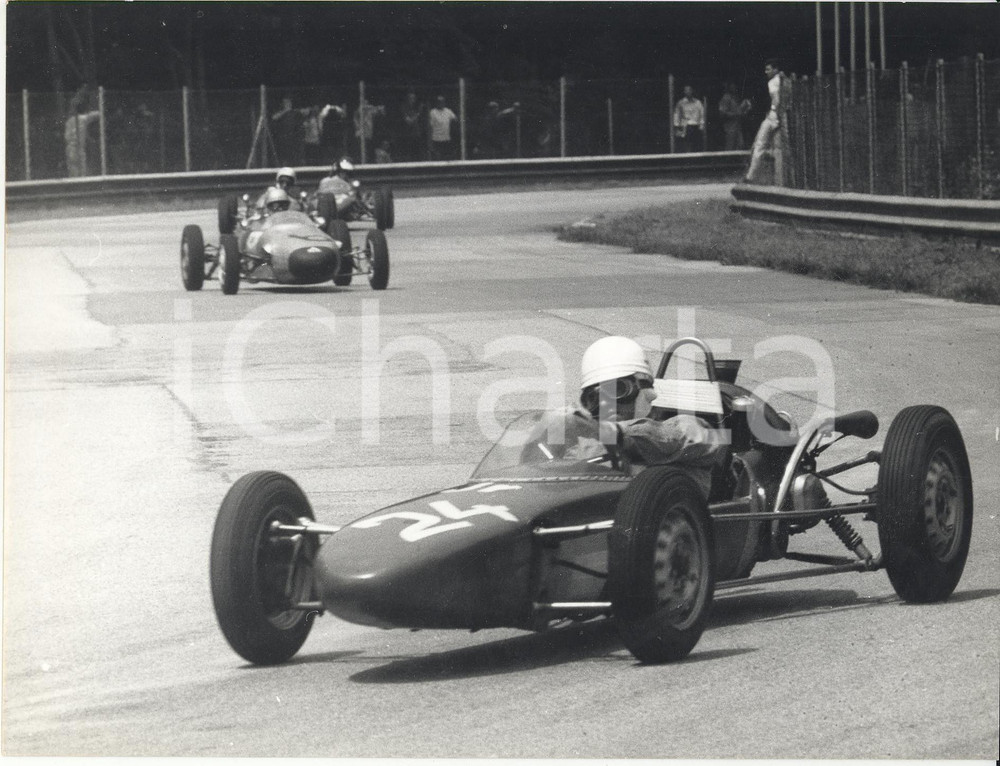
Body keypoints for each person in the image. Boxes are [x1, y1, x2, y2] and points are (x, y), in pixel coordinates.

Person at [573, 336, 724, 496]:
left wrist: (619, 431)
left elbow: (688, 436)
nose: (608, 404)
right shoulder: (590, 440)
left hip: (670, 516)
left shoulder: (682, 430)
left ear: (645, 391)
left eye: (617, 390)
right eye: (595, 397)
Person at [744, 59, 791, 185]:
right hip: (780, 115)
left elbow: (777, 100)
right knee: (779, 148)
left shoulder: (773, 82)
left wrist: (776, 113)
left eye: (768, 69)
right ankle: (781, 179)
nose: (766, 72)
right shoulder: (786, 81)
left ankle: (751, 176)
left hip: (775, 115)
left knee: (760, 144)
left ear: (775, 69)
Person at [64, 88, 100, 177]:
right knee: (81, 173)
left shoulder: (69, 121)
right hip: (78, 148)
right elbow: (96, 114)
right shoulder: (82, 119)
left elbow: (66, 136)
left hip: (70, 148)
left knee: (73, 172)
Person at [718, 83, 752, 151]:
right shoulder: (726, 97)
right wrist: (736, 114)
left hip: (738, 126)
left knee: (740, 145)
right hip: (729, 127)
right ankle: (727, 161)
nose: (734, 87)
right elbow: (722, 113)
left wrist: (746, 109)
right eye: (732, 85)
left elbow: (739, 111)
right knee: (730, 146)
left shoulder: (736, 97)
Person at [672, 85, 706, 153]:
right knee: (686, 144)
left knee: (696, 144)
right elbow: (677, 114)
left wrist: (702, 124)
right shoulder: (681, 103)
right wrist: (677, 125)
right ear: (684, 92)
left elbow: (702, 113)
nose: (688, 92)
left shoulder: (698, 102)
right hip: (685, 125)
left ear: (692, 91)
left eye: (689, 90)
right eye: (686, 90)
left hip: (696, 125)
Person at [271, 96, 303, 165]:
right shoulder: (281, 112)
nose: (288, 104)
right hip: (283, 138)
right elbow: (274, 117)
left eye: (289, 102)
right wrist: (285, 110)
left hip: (294, 138)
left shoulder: (295, 112)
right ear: (283, 104)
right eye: (286, 102)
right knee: (284, 157)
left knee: (294, 157)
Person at [428, 95, 458, 161]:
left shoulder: (448, 111)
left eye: (442, 102)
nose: (441, 103)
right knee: (437, 158)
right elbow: (430, 127)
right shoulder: (432, 112)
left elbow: (456, 120)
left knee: (446, 158)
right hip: (436, 139)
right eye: (439, 102)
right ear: (436, 103)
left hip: (446, 139)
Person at [399, 91, 425, 161]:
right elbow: (409, 121)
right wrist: (418, 113)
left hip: (417, 133)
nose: (412, 100)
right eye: (410, 98)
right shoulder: (403, 107)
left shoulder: (416, 108)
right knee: (408, 153)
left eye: (414, 98)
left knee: (418, 152)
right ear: (407, 99)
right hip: (407, 134)